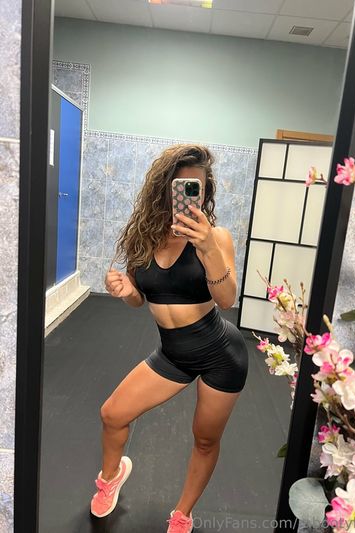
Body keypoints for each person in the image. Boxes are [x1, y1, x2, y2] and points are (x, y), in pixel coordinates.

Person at [90, 144, 249, 533]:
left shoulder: (216, 237)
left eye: (197, 188)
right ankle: (111, 476)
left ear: (206, 193)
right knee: (112, 414)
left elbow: (226, 300)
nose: (189, 195)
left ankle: (183, 513)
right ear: (164, 188)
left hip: (221, 355)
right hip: (173, 354)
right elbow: (139, 300)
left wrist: (208, 248)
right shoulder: (142, 238)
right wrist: (126, 290)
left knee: (205, 440)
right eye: (181, 186)